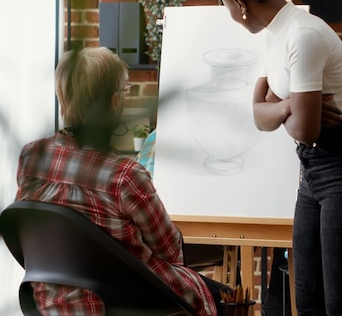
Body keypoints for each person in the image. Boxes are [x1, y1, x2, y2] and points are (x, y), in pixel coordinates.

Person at [217, 0, 342, 315]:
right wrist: (289, 106)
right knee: (307, 301)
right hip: (313, 173)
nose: (228, 12)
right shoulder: (274, 34)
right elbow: (257, 113)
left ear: (240, 3)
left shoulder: (302, 35)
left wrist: (280, 109)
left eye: (224, 4)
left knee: (340, 305)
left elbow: (306, 130)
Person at [15, 47, 230, 316]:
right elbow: (169, 250)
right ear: (115, 102)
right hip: (125, 304)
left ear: (62, 98)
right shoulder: (124, 175)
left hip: (51, 303)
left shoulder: (31, 158)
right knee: (226, 300)